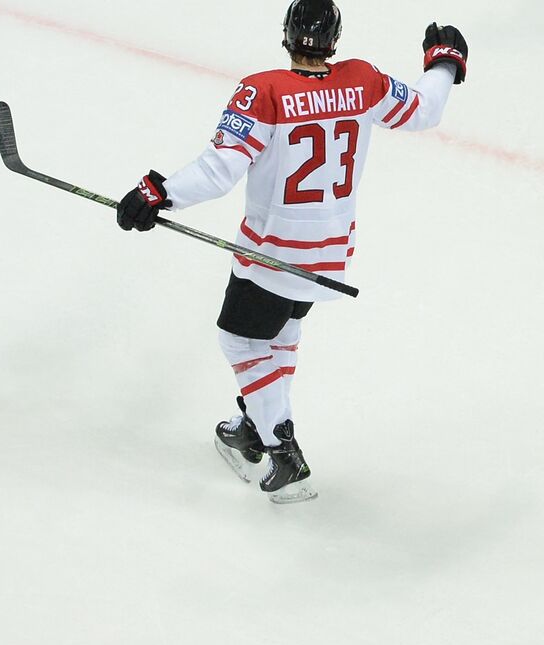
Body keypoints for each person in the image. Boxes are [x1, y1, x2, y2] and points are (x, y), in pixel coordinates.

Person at [113, 0, 467, 503]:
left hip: (272, 253)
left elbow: (219, 170)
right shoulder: (362, 81)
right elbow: (425, 110)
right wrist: (444, 62)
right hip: (327, 257)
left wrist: (157, 193)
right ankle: (253, 427)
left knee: (239, 341)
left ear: (287, 35)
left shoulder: (265, 91)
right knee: (279, 333)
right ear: (334, 40)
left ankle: (281, 448)